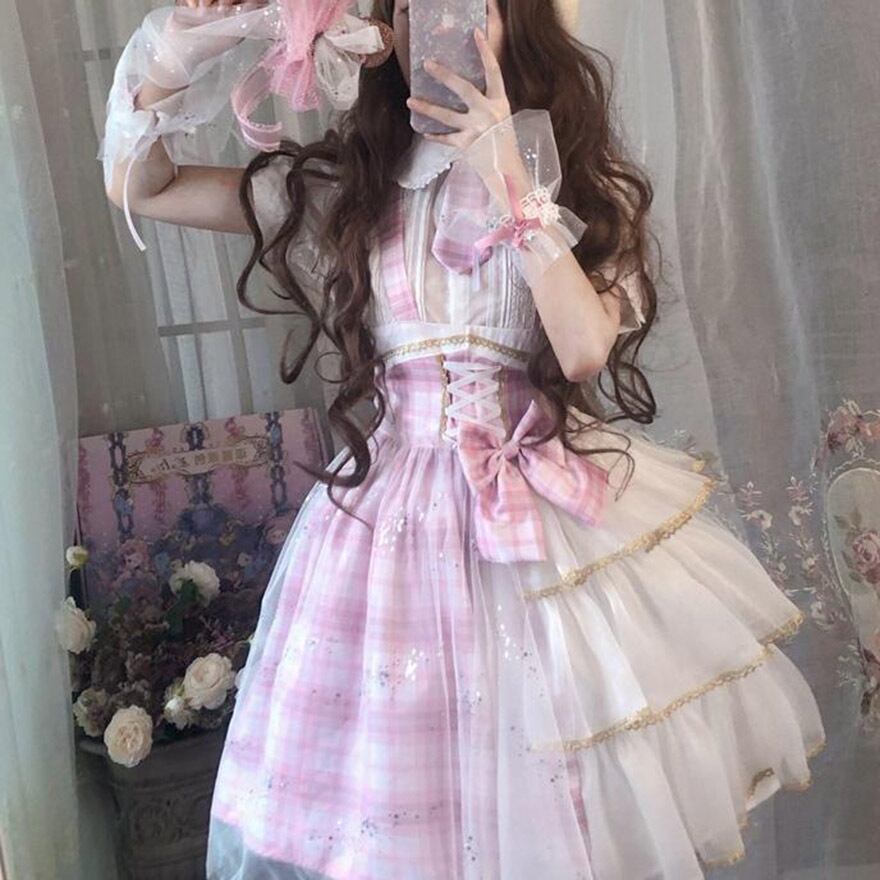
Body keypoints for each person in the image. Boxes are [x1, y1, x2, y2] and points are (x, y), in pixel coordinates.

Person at [101, 1, 826, 877]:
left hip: (536, 521)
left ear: (516, 18)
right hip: (388, 525)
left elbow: (583, 349)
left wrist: (508, 170)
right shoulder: (348, 185)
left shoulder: (571, 178)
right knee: (397, 810)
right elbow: (145, 187)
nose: (435, 25)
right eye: (413, 6)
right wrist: (181, 47)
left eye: (466, 3)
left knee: (550, 802)